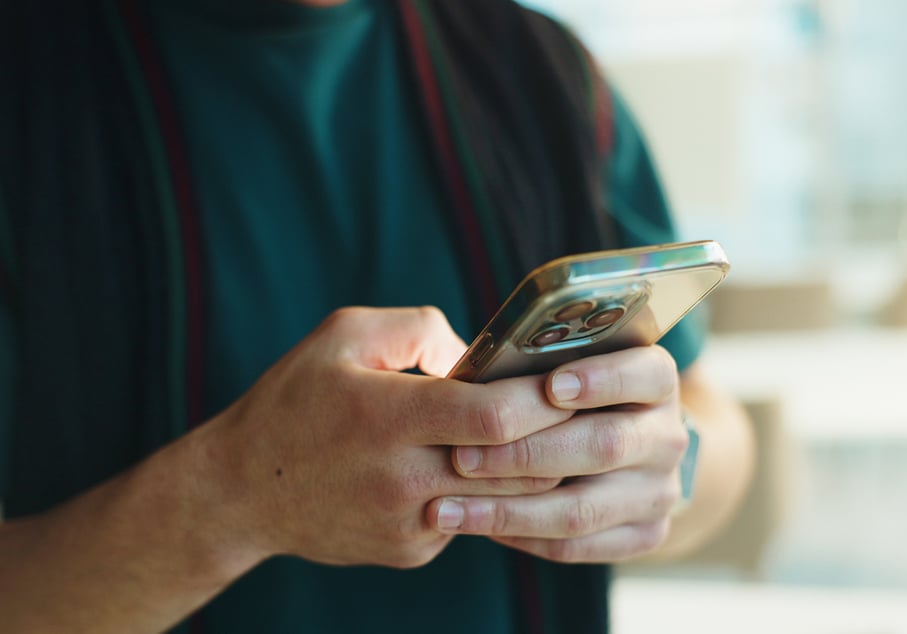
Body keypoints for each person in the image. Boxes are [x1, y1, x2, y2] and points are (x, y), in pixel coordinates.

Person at [0, 0, 755, 632]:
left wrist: (659, 467)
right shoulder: (32, 82)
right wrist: (232, 499)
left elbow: (712, 427)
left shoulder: (542, 70)